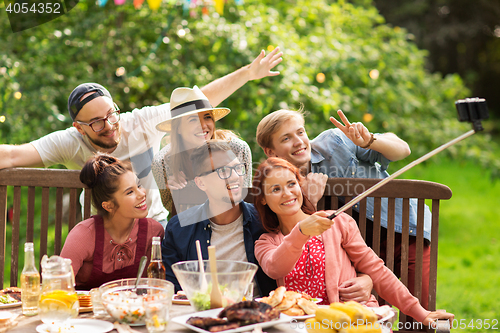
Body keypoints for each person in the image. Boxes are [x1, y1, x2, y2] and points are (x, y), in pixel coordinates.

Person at [0, 47, 283, 228]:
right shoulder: (67, 142)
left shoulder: (140, 121)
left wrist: (248, 73)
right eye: (97, 123)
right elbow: (12, 155)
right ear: (79, 127)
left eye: (112, 115)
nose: (110, 126)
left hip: (153, 227)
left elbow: (197, 102)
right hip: (103, 228)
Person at [256, 108, 432, 309]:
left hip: (403, 230)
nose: (298, 141)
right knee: (375, 312)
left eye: (301, 132)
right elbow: (319, 246)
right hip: (360, 252)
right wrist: (311, 204)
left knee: (419, 320)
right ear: (270, 152)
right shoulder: (284, 189)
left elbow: (403, 149)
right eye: (286, 138)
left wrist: (369, 141)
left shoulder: (334, 142)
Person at [253, 157, 454, 326]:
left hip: (354, 319)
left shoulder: (336, 221)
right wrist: (301, 232)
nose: (287, 193)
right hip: (306, 327)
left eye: (291, 184)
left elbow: (376, 270)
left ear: (299, 185)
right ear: (263, 199)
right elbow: (275, 268)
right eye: (276, 189)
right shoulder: (265, 243)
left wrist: (420, 312)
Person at [161, 140, 276, 297]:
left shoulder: (264, 219)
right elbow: (171, 290)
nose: (235, 177)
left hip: (258, 315)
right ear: (201, 183)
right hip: (202, 315)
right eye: (223, 171)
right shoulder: (179, 228)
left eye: (237, 168)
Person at [60, 154, 164, 290]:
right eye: (130, 192)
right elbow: (57, 286)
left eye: (139, 186)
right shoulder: (83, 236)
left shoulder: (154, 232)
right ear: (108, 205)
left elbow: (155, 287)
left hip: (133, 309)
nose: (142, 194)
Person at [152, 85, 253, 216]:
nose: (203, 125)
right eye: (193, 119)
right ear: (177, 128)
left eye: (207, 117)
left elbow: (245, 200)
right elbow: (172, 211)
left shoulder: (236, 149)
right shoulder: (162, 162)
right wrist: (173, 193)